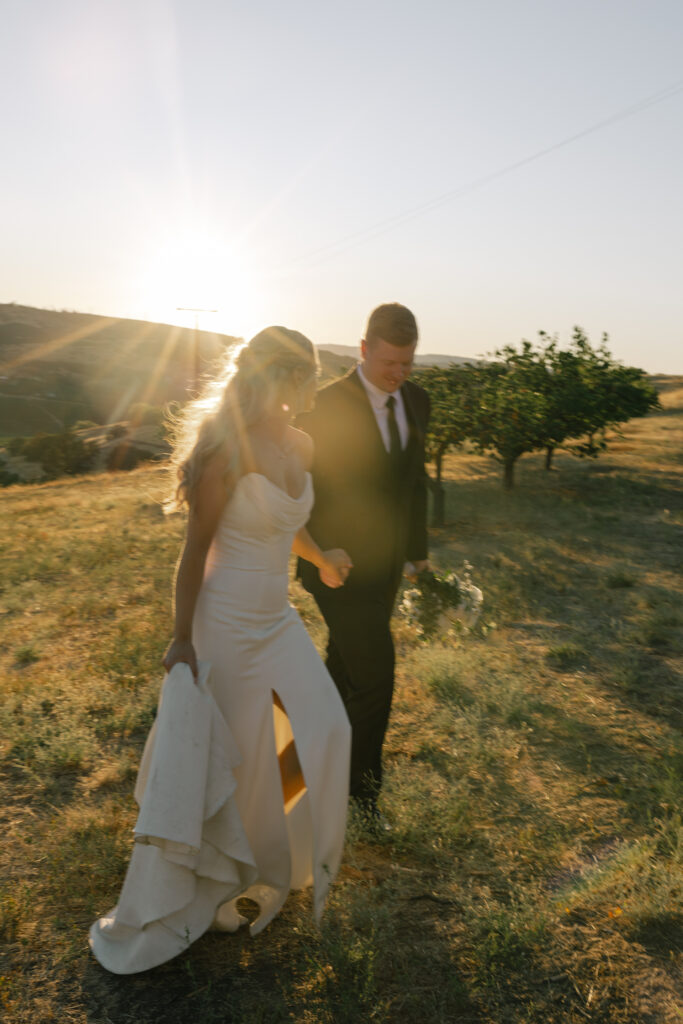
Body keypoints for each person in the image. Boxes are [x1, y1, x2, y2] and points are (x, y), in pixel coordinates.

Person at [89, 327, 352, 974]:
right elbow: (196, 548)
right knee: (234, 757)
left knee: (322, 727)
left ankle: (276, 865)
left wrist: (321, 558)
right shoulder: (226, 451)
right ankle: (219, 880)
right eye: (309, 373)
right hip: (225, 624)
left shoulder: (301, 443)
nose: (316, 383)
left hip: (277, 618)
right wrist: (181, 637)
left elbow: (287, 522)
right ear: (284, 378)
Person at [297, 303, 430, 825]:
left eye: (408, 363)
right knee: (376, 678)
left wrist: (416, 551)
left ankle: (312, 766)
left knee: (344, 669)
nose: (398, 374)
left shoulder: (419, 400)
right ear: (364, 349)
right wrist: (320, 557)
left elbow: (413, 482)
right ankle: (361, 800)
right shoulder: (323, 407)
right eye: (389, 363)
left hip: (389, 566)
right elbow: (305, 493)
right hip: (336, 567)